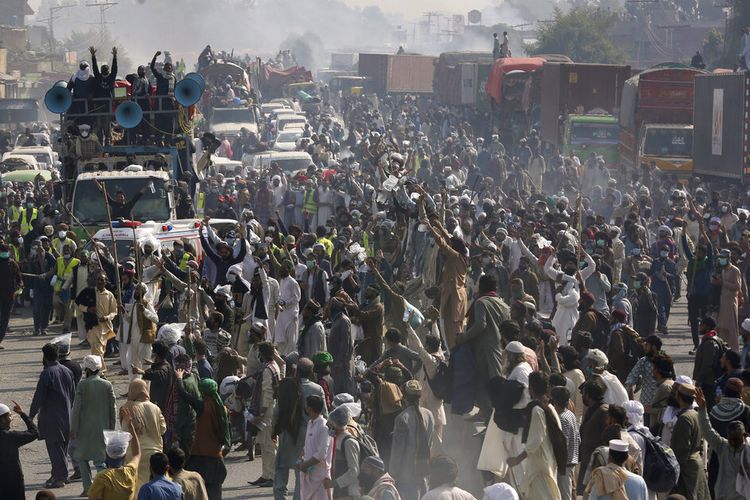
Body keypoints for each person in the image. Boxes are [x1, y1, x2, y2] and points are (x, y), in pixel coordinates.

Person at [459, 274, 510, 417]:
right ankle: (486, 413)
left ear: (481, 287)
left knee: (482, 383)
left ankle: (487, 415)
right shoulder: (504, 305)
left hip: (483, 350)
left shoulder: (481, 302)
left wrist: (463, 338)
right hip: (499, 350)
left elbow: (480, 325)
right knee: (494, 383)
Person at [507, 372, 563, 500]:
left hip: (540, 466)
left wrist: (517, 459)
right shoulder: (550, 407)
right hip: (548, 461)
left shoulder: (537, 410)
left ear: (531, 389)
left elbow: (535, 441)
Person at [176, 371, 230, 500]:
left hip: (200, 459)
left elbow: (183, 393)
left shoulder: (202, 406)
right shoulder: (222, 409)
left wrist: (179, 378)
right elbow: (228, 437)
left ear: (203, 392)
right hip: (216, 459)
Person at [30, 342, 76, 489]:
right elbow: (73, 394)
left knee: (55, 447)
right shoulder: (67, 371)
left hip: (52, 417)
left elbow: (39, 397)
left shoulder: (47, 373)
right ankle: (58, 473)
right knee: (63, 446)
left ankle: (60, 478)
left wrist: (30, 416)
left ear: (45, 356)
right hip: (67, 414)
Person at [71, 355, 117, 496]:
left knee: (83, 458)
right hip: (103, 428)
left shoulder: (82, 385)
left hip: (84, 428)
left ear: (87, 369)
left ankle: (87, 488)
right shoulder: (107, 384)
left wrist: (73, 428)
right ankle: (104, 487)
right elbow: (113, 408)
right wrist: (112, 428)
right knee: (100, 460)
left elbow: (76, 409)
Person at [119, 379, 167, 493]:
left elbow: (126, 431)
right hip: (155, 451)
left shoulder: (128, 408)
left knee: (138, 487)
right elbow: (163, 429)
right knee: (155, 486)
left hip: (136, 453)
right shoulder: (155, 407)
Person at [390, 380, 434, 500]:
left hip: (406, 473)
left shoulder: (402, 418)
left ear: (405, 397)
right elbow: (430, 443)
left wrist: (393, 473)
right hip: (423, 471)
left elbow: (397, 450)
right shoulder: (429, 415)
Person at [671, 383, 711, 499]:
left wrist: (676, 474)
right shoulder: (696, 414)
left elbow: (681, 450)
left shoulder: (684, 418)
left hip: (687, 469)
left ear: (678, 396)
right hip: (696, 464)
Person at [272, 377, 306, 500]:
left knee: (281, 471)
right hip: (301, 436)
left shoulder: (280, 403)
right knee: (299, 475)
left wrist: (273, 433)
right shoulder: (301, 398)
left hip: (285, 435)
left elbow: (274, 418)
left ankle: (281, 497)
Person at [76, 272, 117, 371]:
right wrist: (87, 309)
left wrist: (107, 317)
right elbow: (78, 304)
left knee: (101, 351)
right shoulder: (89, 292)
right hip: (92, 326)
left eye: (102, 280)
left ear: (105, 282)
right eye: (98, 279)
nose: (99, 281)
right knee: (96, 349)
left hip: (105, 327)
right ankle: (101, 371)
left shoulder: (109, 295)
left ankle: (96, 370)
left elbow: (114, 312)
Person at [87, 425, 140, 500]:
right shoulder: (130, 471)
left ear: (106, 454)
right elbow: (137, 454)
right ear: (124, 456)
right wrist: (132, 429)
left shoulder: (102, 477)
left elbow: (92, 498)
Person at [0, 400, 39, 499]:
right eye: (8, 416)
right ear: (2, 419)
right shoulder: (10, 437)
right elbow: (34, 432)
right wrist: (22, 414)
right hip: (14, 481)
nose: (10, 419)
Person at [299, 395, 333, 500]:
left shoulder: (323, 426)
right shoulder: (310, 423)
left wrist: (306, 464)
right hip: (309, 474)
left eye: (306, 406)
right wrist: (301, 457)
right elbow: (307, 445)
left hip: (320, 477)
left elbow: (322, 454)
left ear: (309, 408)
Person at [551, 386, 579, 500]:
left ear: (555, 401)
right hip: (570, 461)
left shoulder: (561, 418)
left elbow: (563, 445)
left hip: (564, 465)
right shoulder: (570, 414)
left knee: (564, 495)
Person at [329, 405, 361, 498]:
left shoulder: (349, 442)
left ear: (335, 424)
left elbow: (354, 471)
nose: (329, 425)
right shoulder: (336, 438)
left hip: (348, 493)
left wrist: (335, 483)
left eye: (330, 423)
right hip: (338, 491)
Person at [0, 243, 23, 348]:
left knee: (5, 319)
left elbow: (19, 278)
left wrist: (20, 285)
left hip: (9, 295)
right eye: (3, 251)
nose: (5, 253)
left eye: (6, 251)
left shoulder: (13, 263)